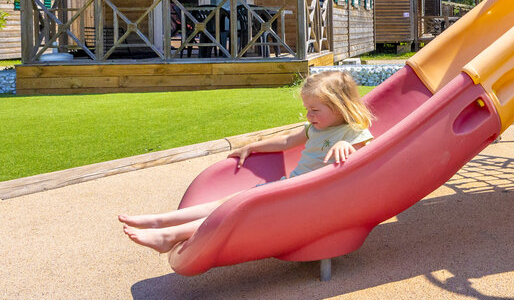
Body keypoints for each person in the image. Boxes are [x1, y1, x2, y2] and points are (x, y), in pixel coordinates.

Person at [119, 69, 374, 253]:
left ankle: (168, 236)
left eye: (315, 110)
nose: (309, 116)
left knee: (236, 212)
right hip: (290, 188)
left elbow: (368, 158)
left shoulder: (353, 133)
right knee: (226, 202)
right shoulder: (315, 129)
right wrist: (252, 146)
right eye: (307, 109)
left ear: (340, 107)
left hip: (310, 199)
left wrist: (346, 146)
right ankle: (161, 220)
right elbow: (286, 142)